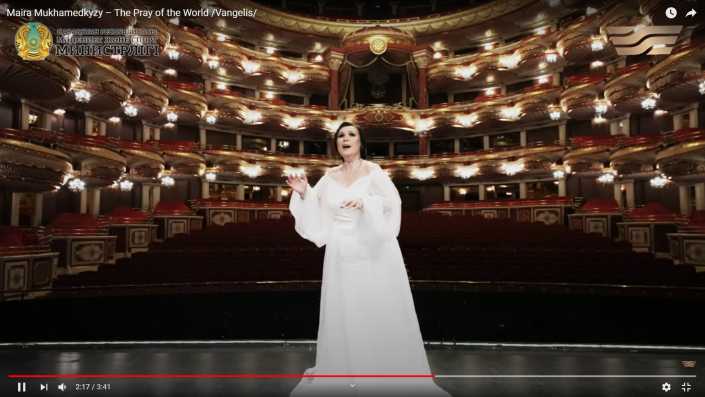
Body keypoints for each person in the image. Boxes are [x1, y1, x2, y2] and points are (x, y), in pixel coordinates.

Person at [286, 122, 452, 396]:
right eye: (341, 135)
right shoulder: (329, 175)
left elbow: (393, 203)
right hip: (339, 250)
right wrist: (304, 192)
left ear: (361, 142)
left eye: (351, 134)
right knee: (344, 308)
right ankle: (345, 370)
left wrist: (367, 204)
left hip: (370, 249)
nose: (346, 139)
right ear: (336, 143)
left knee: (371, 306)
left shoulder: (373, 171)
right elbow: (317, 209)